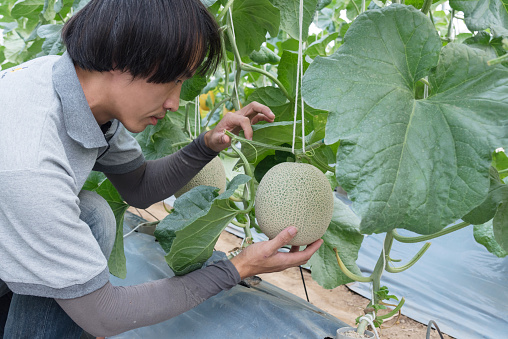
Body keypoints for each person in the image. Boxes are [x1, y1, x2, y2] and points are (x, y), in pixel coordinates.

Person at [0, 0, 323, 338]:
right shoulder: (31, 162)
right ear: (119, 57)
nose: (174, 102)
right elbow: (104, 314)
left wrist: (206, 145)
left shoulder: (77, 90)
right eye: (173, 81)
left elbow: (139, 187)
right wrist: (237, 268)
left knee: (92, 213)